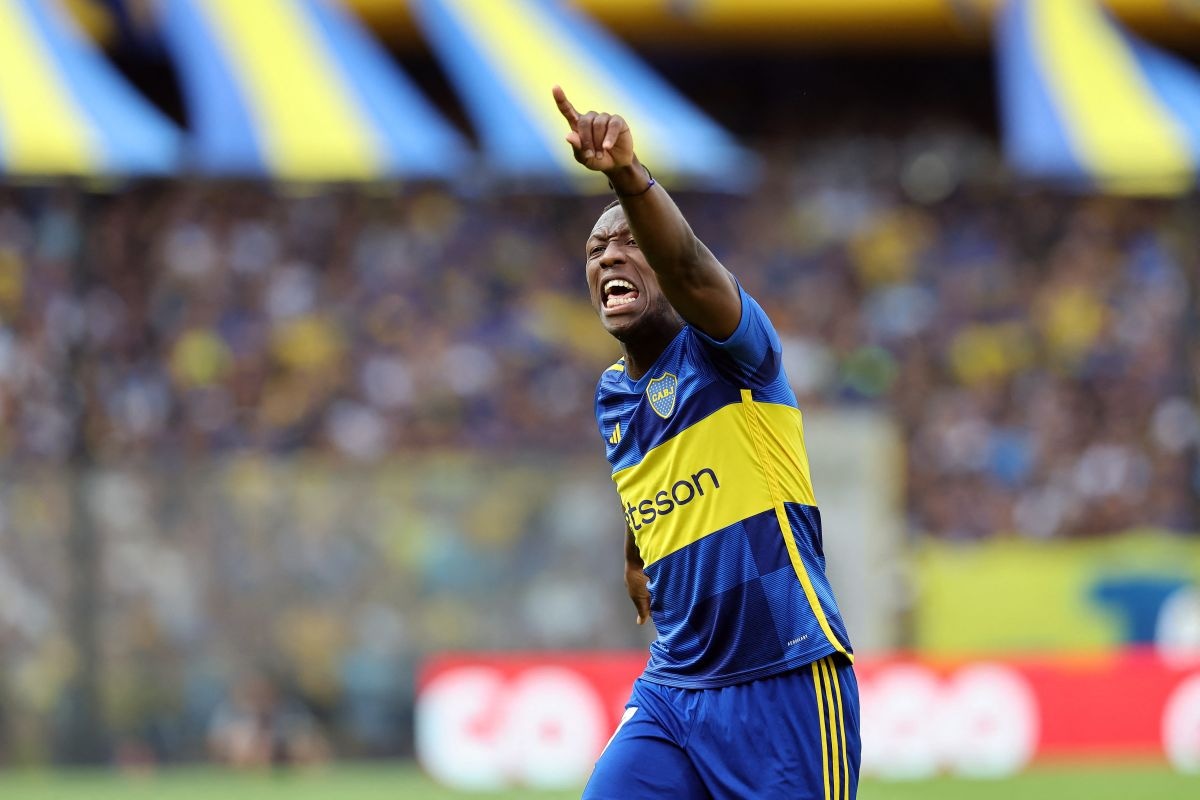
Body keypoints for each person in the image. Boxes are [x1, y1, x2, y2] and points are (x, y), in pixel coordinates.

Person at [553, 85, 861, 799]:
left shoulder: (734, 351)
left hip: (780, 674)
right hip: (676, 685)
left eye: (629, 241)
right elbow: (661, 487)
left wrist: (628, 180)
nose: (608, 257)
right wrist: (638, 551)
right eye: (596, 250)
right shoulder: (613, 398)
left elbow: (691, 268)